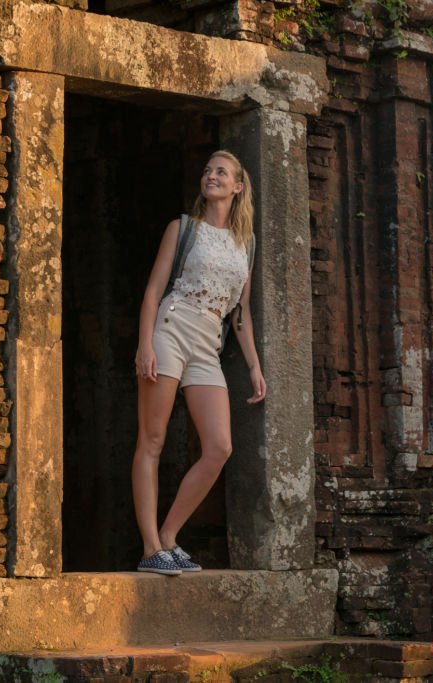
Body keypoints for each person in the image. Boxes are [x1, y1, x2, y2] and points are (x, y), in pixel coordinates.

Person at [131, 150, 267, 575]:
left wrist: (253, 368)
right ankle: (151, 547)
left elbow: (240, 313)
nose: (211, 176)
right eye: (208, 170)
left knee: (220, 447)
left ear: (237, 186)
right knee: (151, 441)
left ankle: (170, 536)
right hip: (171, 328)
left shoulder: (246, 244)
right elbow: (153, 291)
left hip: (208, 343)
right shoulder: (183, 228)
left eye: (221, 172)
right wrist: (144, 346)